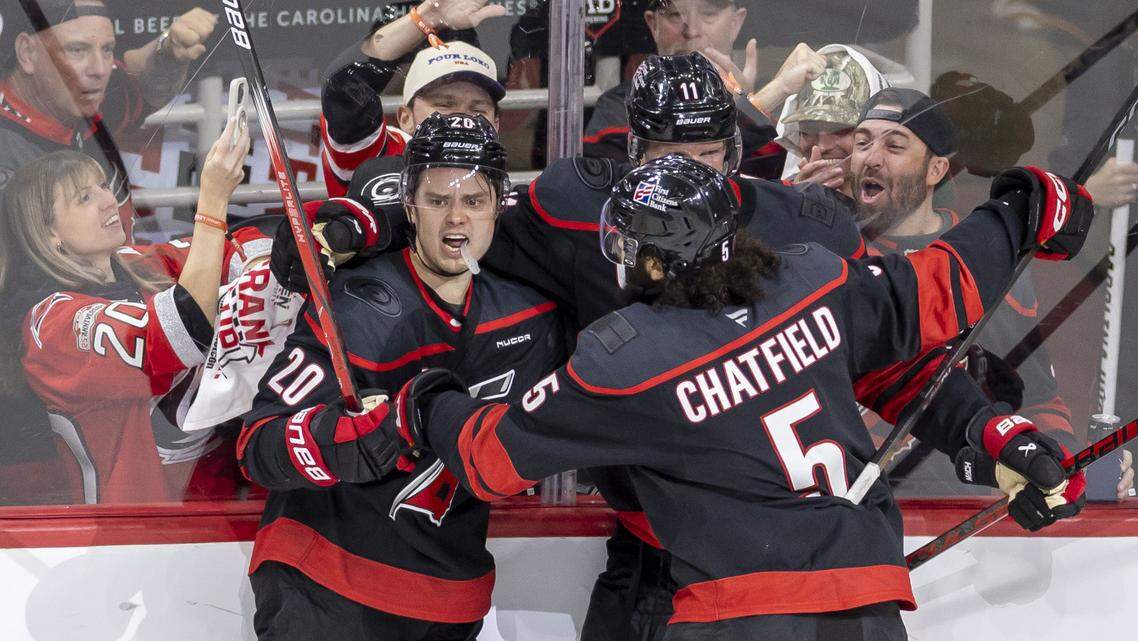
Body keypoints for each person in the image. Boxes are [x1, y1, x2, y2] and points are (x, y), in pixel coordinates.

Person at [273, 51, 867, 641]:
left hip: (782, 546)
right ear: (634, 150)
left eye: (707, 155)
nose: (689, 175)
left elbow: (883, 351)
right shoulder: (582, 209)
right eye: (670, 156)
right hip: (650, 548)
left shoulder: (809, 232)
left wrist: (960, 414)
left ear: (734, 153)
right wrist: (357, 222)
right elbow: (465, 218)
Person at [377, 153, 1092, 641]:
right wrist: (1025, 209)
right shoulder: (813, 280)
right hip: (869, 603)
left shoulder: (626, 358)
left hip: (738, 615)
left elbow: (489, 461)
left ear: (654, 261)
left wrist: (431, 397)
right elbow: (931, 302)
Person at [239, 113, 564, 641]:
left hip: (449, 599)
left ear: (500, 206)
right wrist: (334, 442)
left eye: (474, 201)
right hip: (326, 585)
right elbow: (258, 445)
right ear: (410, 205)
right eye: (437, 201)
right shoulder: (358, 302)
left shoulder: (534, 313)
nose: (455, 220)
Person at [847, 87, 1135, 499]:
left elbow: (1038, 400)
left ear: (935, 170)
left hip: (970, 518)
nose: (871, 157)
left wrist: (1068, 467)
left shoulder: (990, 261)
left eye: (894, 146)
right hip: (854, 512)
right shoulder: (830, 261)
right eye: (860, 144)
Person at [0, 117, 254, 505]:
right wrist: (213, 203)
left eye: (103, 185)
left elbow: (249, 247)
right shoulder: (52, 325)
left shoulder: (139, 262)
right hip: (131, 539)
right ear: (49, 233)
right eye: (84, 198)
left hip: (218, 515)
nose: (108, 201)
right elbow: (182, 333)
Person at [0, 0, 218, 234]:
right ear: (27, 52)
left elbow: (142, 82)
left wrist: (170, 49)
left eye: (107, 49)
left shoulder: (74, 100)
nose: (100, 69)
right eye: (76, 50)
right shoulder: (9, 150)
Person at [582, 0, 827, 177]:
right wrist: (756, 104)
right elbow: (626, 187)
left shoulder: (792, 103)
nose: (691, 31)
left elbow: (763, 193)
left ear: (736, 23)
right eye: (674, 15)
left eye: (708, 14)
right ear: (652, 24)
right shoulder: (618, 105)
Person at [319, 0, 507, 197]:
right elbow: (344, 85)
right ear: (405, 118)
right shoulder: (378, 153)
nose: (461, 118)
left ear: (496, 124)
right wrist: (427, 18)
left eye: (477, 110)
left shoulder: (496, 168)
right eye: (444, 105)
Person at [774, 45, 889, 194]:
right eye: (808, 129)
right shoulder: (776, 202)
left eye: (840, 129)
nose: (822, 147)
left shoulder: (904, 205)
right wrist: (795, 204)